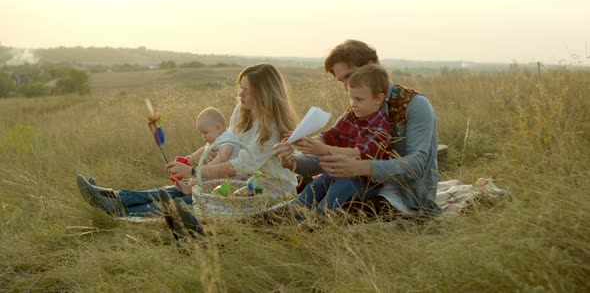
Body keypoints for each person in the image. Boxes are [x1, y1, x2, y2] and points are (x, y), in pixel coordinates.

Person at [77, 63, 299, 217]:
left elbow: (238, 166)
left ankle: (119, 212)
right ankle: (113, 197)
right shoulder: (242, 111)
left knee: (190, 200)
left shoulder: (273, 130)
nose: (240, 95)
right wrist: (203, 157)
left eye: (247, 91)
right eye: (240, 88)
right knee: (182, 189)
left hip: (265, 193)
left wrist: (195, 173)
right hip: (239, 183)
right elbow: (226, 141)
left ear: (265, 94)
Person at [274, 39, 441, 218]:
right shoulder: (357, 109)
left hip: (404, 197)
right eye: (341, 80)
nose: (346, 86)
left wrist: (359, 167)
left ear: (370, 66)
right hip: (356, 187)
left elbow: (417, 165)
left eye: (349, 75)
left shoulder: (415, 104)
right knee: (298, 206)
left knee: (334, 213)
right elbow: (328, 157)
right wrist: (292, 162)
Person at [292, 64, 392, 216]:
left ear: (378, 99)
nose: (353, 104)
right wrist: (306, 141)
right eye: (351, 98)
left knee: (337, 192)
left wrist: (323, 150)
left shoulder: (381, 128)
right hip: (339, 172)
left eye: (359, 99)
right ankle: (292, 216)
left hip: (364, 182)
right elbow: (330, 135)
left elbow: (358, 154)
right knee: (314, 187)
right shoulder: (350, 116)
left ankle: (318, 222)